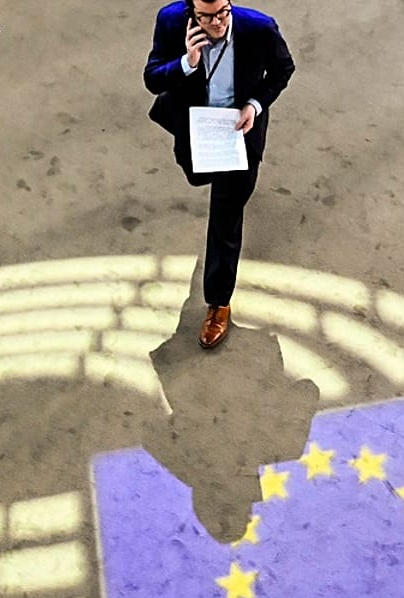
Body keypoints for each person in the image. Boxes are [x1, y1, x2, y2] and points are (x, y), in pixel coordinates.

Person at [144, 0, 295, 349]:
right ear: (190, 13)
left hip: (238, 134)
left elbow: (283, 69)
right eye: (207, 16)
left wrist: (254, 106)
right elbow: (152, 78)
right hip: (196, 129)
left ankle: (218, 302)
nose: (217, 23)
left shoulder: (258, 28)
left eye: (223, 12)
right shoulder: (170, 22)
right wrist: (187, 62)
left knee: (226, 217)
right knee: (197, 176)